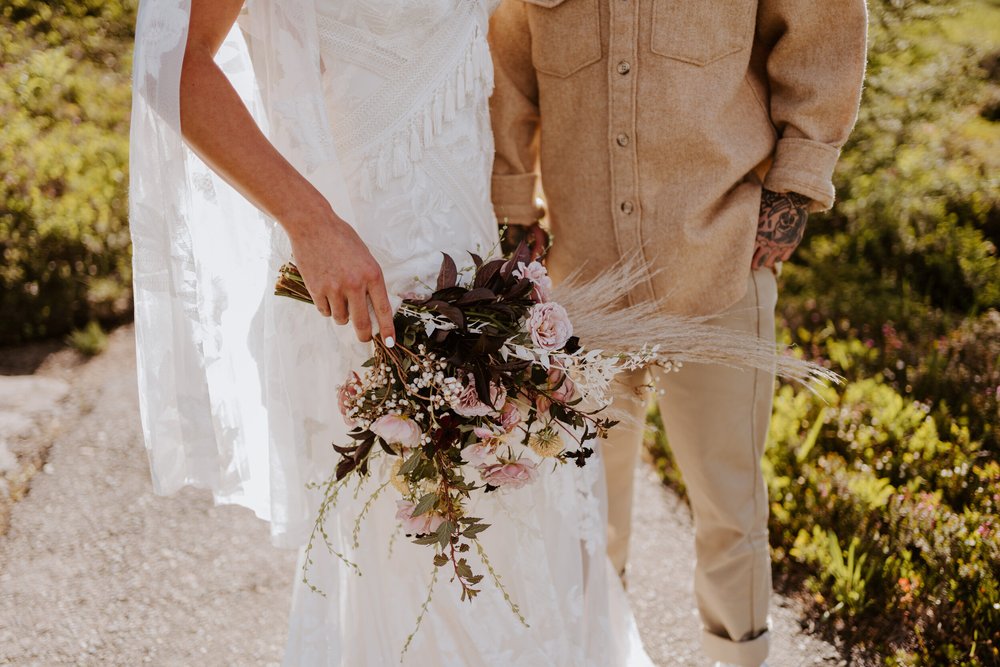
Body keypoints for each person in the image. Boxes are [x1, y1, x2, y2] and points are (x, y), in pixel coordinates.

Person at [129, 0, 653, 664]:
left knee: (534, 544)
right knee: (412, 568)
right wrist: (310, 223)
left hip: (484, 280)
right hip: (368, 288)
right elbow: (172, 60)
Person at [488, 2, 868, 666]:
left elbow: (821, 30)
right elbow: (509, 63)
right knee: (584, 509)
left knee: (729, 507)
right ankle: (598, 652)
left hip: (715, 261)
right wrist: (515, 206)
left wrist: (795, 189)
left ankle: (737, 658)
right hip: (580, 283)